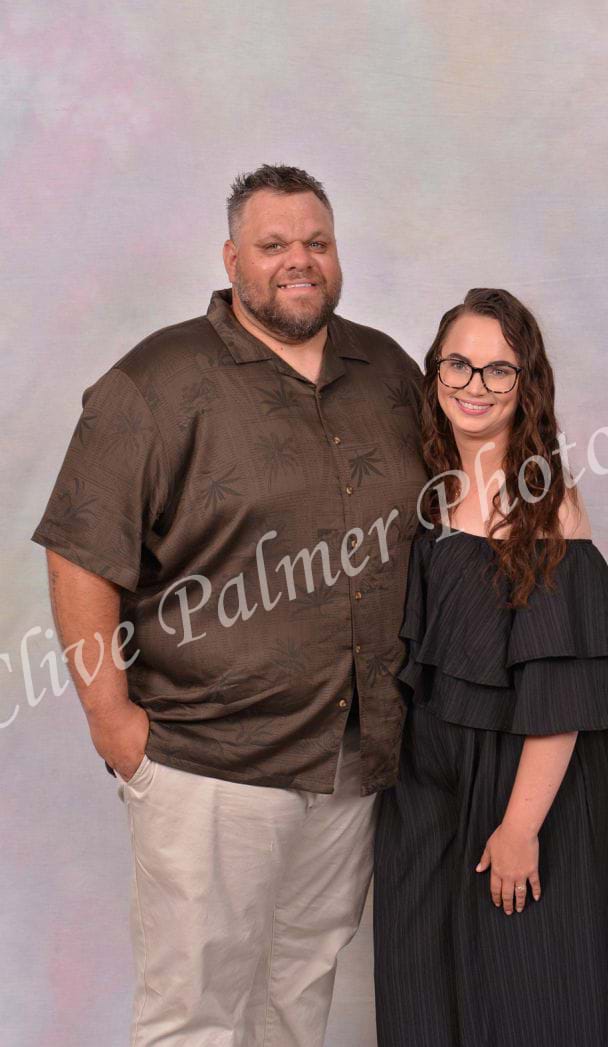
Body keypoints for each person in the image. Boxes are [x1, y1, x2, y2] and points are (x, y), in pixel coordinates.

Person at [31, 164, 428, 1047]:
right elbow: (80, 549)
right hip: (206, 759)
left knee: (299, 993)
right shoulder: (156, 382)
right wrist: (111, 720)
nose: (299, 260)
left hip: (353, 758)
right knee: (194, 1015)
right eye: (274, 243)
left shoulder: (388, 371)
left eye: (316, 242)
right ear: (232, 258)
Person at [373, 288, 608, 1047]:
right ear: (435, 371)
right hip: (424, 783)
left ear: (527, 384)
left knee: (529, 1003)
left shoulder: (549, 506)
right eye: (459, 364)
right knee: (420, 994)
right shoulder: (428, 496)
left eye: (500, 369)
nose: (475, 384)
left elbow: (562, 693)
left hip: (526, 780)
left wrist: (520, 826)